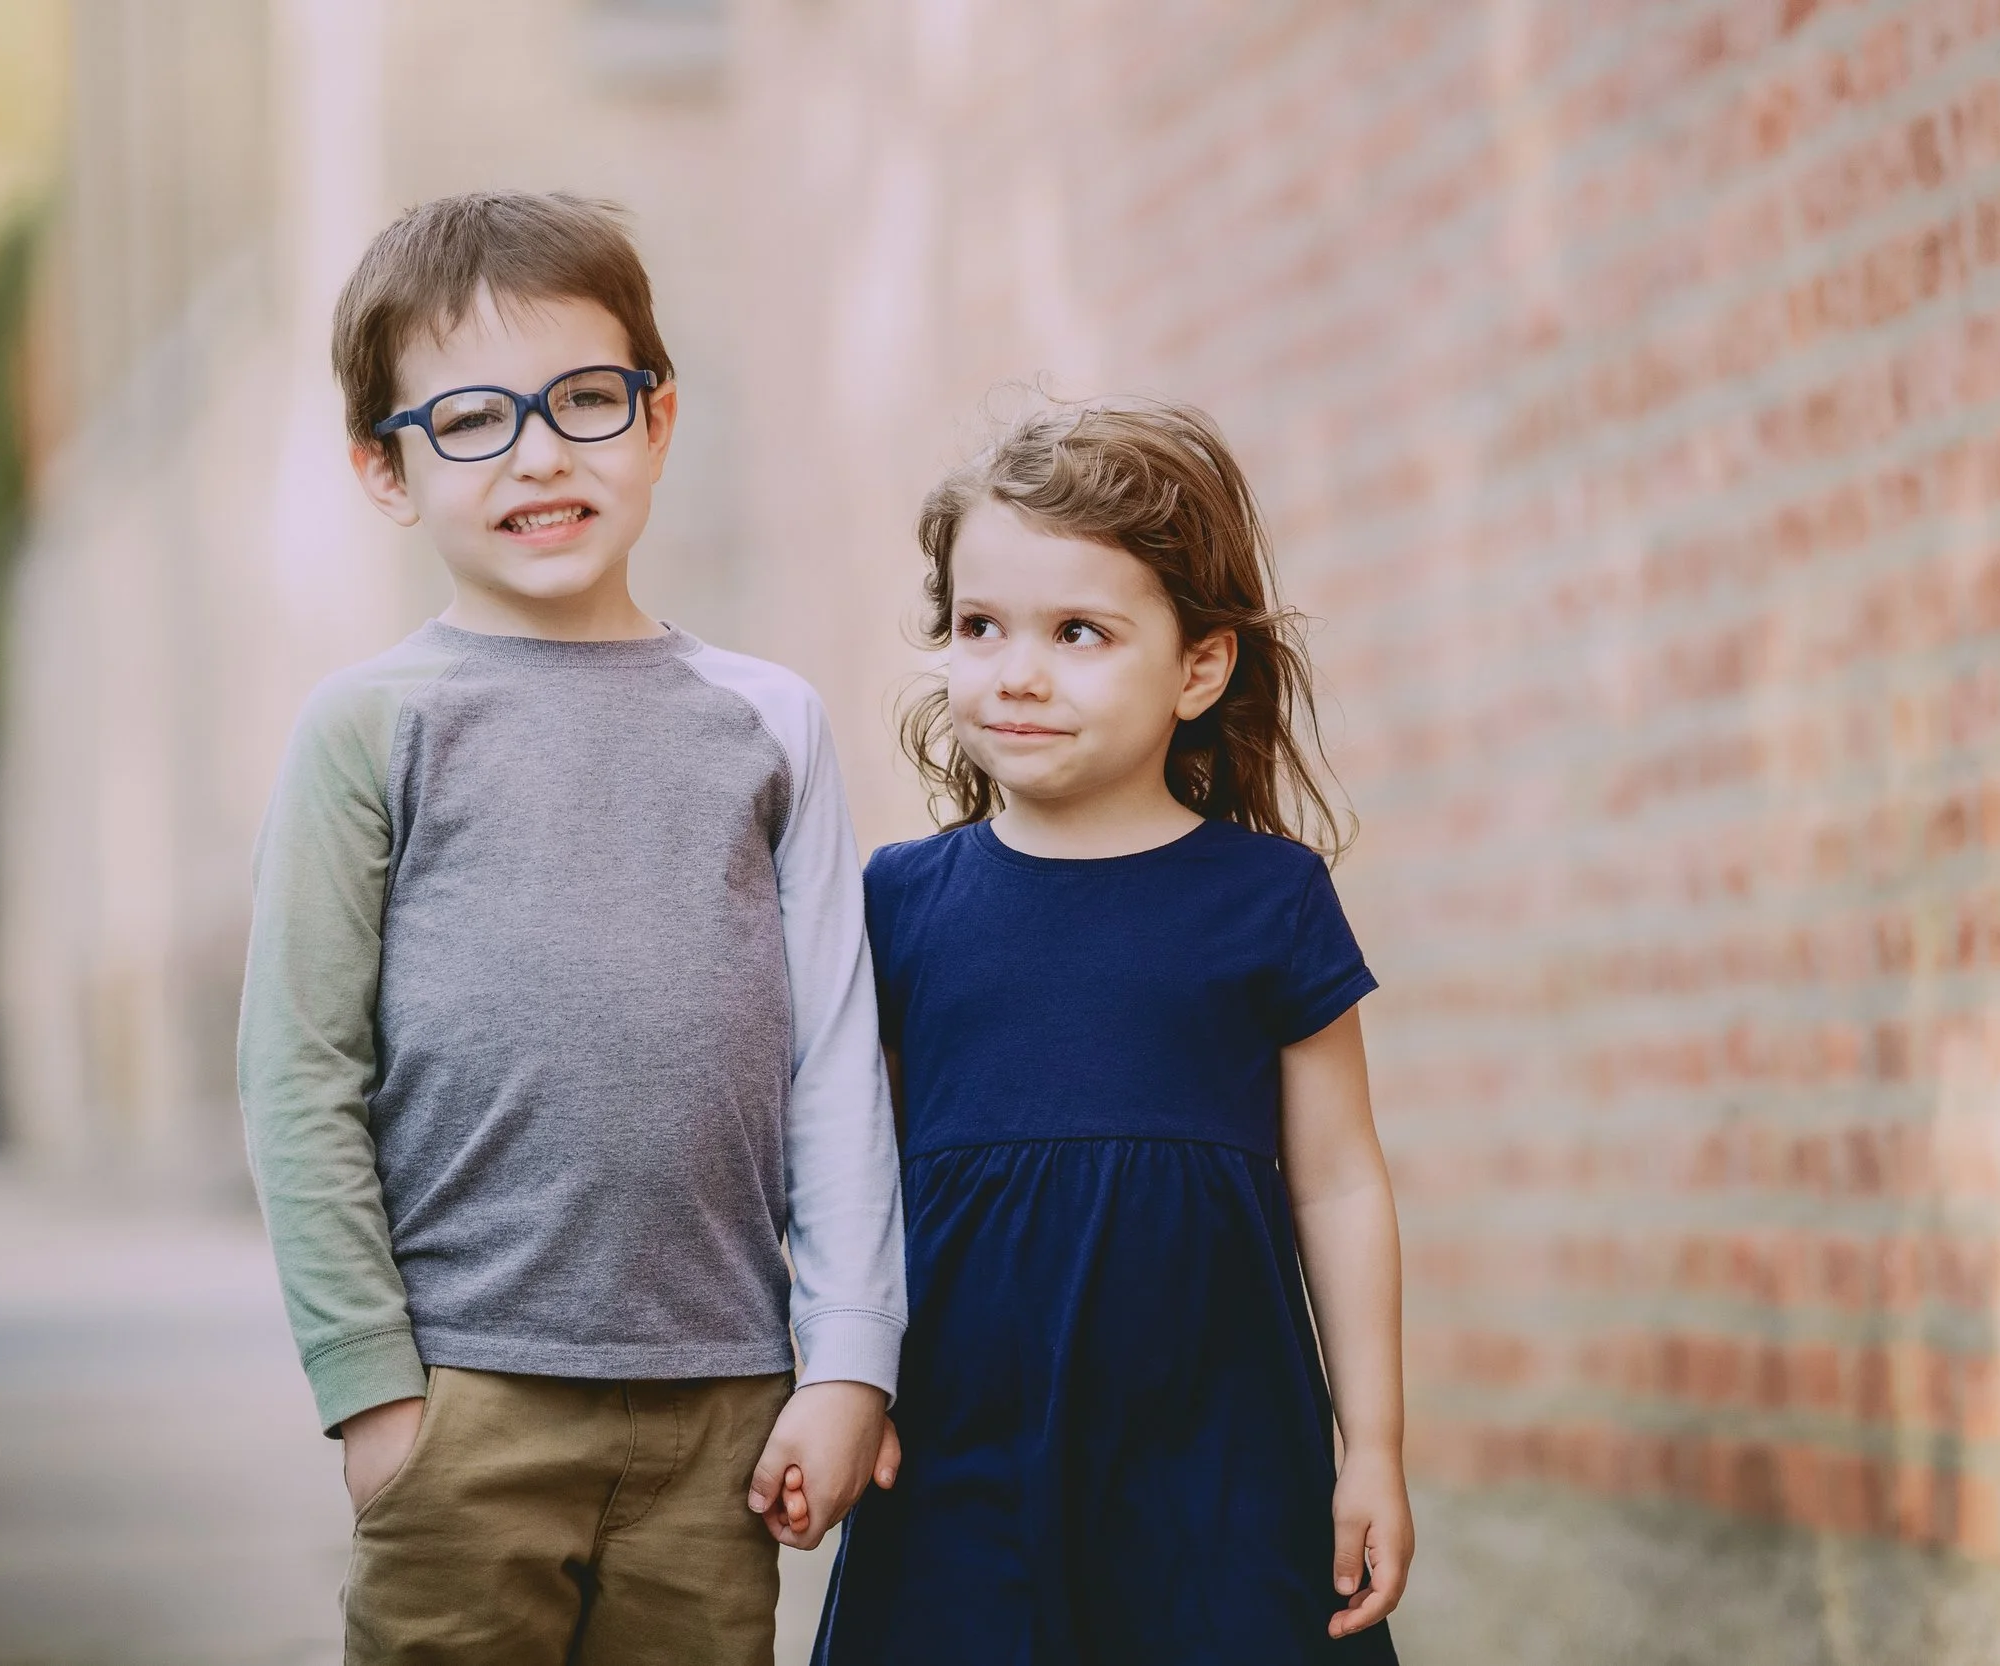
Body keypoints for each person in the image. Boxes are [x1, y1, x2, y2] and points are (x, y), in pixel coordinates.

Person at [236, 190, 906, 1666]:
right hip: (463, 1393)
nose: (540, 453)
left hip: (723, 1399)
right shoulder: (370, 728)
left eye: (585, 400)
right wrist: (373, 1392)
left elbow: (835, 1062)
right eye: (472, 419)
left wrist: (851, 1357)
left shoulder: (767, 720)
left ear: (657, 420)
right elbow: (298, 1075)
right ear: (385, 469)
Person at [815, 400, 1412, 1663]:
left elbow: (1340, 1182)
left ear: (1199, 668)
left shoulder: (1269, 899)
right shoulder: (898, 902)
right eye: (979, 626)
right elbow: (846, 1177)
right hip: (961, 1450)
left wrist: (1374, 1446)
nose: (1016, 672)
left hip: (1220, 1455)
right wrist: (843, 1374)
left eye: (1077, 632)